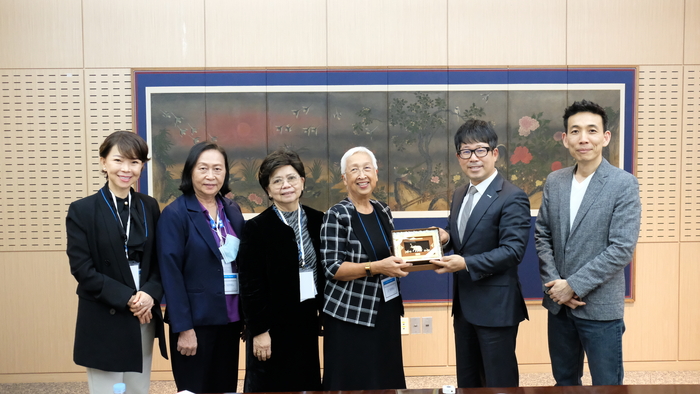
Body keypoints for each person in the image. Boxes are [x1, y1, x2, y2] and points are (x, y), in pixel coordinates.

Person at [535, 100, 641, 386]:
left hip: (600, 308)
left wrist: (573, 285)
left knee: (607, 384)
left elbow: (621, 248)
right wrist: (557, 286)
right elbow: (542, 234)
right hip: (559, 305)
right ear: (566, 138)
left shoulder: (623, 184)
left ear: (605, 137)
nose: (584, 138)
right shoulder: (555, 181)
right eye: (575, 131)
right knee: (565, 381)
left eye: (592, 131)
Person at [66, 131, 167, 394]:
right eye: (119, 160)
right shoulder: (82, 210)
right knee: (107, 389)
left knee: (137, 388)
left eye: (135, 162)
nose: (127, 169)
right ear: (103, 162)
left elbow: (159, 259)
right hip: (106, 309)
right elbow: (82, 269)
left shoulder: (149, 206)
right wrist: (128, 298)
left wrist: (149, 294)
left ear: (142, 166)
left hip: (144, 310)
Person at [432, 120, 531, 388]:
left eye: (480, 150)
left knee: (499, 382)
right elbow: (464, 236)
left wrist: (465, 263)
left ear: (495, 153)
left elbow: (512, 251)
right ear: (458, 157)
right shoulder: (460, 193)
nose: (473, 158)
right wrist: (446, 237)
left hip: (496, 307)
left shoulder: (512, 196)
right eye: (466, 151)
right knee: (468, 380)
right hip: (464, 306)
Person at [320, 146, 411, 390]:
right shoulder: (337, 215)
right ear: (344, 178)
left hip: (386, 308)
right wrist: (377, 267)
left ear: (376, 173)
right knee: (353, 381)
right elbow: (332, 267)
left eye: (367, 168)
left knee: (385, 376)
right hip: (350, 313)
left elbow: (395, 253)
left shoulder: (383, 210)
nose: (362, 175)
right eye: (354, 169)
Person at [157, 141, 245, 393]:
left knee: (224, 387)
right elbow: (170, 274)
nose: (211, 176)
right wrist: (183, 328)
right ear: (190, 171)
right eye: (203, 168)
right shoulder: (175, 214)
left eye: (218, 169)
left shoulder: (232, 210)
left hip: (230, 317)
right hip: (195, 321)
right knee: (194, 388)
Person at [238, 148, 324, 392]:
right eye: (277, 181)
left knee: (305, 383)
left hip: (307, 321)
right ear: (267, 189)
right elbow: (249, 285)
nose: (286, 185)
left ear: (302, 182)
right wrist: (260, 331)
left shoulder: (318, 220)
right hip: (271, 327)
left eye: (291, 178)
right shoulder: (256, 228)